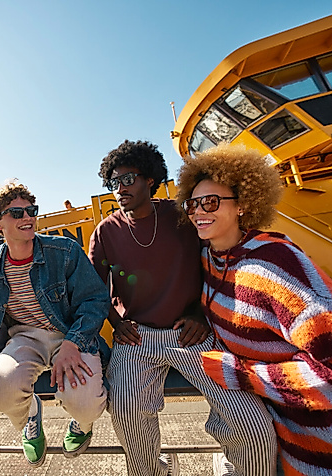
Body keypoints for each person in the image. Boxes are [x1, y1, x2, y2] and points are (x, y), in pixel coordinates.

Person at [176, 142, 332, 475]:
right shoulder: (210, 258)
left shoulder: (272, 264)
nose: (199, 212)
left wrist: (244, 375)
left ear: (242, 205)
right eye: (193, 204)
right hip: (290, 442)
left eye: (211, 202)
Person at [89, 140, 277, 476]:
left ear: (150, 179)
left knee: (253, 425)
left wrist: (200, 314)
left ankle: (234, 467)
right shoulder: (106, 231)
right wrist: (116, 323)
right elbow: (93, 289)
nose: (119, 188)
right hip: (137, 339)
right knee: (127, 412)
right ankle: (158, 471)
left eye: (128, 179)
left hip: (190, 333)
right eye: (113, 182)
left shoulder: (184, 217)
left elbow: (218, 266)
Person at [0, 181, 109, 467]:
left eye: (31, 210)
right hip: (23, 339)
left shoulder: (64, 251)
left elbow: (94, 300)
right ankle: (30, 413)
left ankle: (81, 424)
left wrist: (73, 342)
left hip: (68, 334)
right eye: (16, 213)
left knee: (85, 404)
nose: (27, 217)